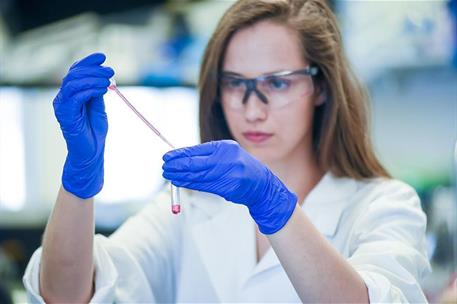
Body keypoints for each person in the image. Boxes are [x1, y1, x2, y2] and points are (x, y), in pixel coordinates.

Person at [23, 0, 431, 302]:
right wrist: (79, 178)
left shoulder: (383, 206)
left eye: (278, 83)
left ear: (320, 87)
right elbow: (65, 295)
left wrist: (273, 205)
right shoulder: (188, 209)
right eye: (236, 83)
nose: (252, 109)